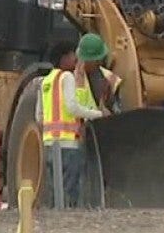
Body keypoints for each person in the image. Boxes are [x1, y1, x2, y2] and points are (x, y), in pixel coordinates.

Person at [36, 33, 119, 208]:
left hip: (50, 144)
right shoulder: (68, 77)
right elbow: (73, 107)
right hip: (68, 144)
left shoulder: (45, 81)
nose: (76, 58)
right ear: (64, 58)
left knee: (54, 189)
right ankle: (70, 219)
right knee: (71, 187)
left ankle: (55, 220)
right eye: (73, 55)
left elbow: (39, 116)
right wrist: (98, 115)